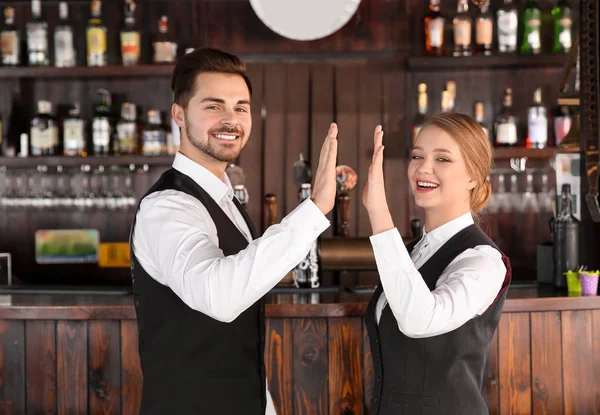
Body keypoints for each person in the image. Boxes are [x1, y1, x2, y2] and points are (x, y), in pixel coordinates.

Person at [130, 48, 338, 414]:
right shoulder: (167, 206)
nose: (231, 120)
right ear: (178, 114)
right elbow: (220, 297)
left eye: (241, 108)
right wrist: (315, 208)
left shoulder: (225, 199)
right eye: (213, 106)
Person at [362, 112, 511, 414]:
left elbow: (420, 320)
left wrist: (379, 214)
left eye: (442, 159)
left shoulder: (483, 260)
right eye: (417, 156)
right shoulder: (413, 251)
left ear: (473, 175)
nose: (423, 168)